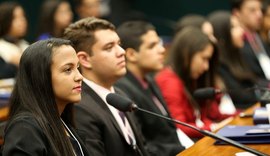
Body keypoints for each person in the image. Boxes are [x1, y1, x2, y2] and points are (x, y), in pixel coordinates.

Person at [63, 17, 150, 156]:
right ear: (85, 59)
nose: (121, 51)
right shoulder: (79, 107)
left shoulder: (120, 95)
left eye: (119, 44)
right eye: (109, 47)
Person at [1, 38, 90, 156]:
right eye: (68, 69)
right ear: (41, 77)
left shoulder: (62, 122)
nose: (79, 77)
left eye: (77, 68)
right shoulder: (25, 129)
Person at [115, 21, 190, 155]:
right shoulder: (123, 90)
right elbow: (143, 145)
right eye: (152, 46)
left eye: (159, 43)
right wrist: (182, 149)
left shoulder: (149, 78)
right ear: (131, 55)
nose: (162, 50)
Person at [155, 27, 232, 139]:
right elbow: (180, 127)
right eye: (204, 59)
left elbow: (206, 116)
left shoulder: (190, 77)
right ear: (187, 54)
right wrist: (214, 127)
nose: (206, 67)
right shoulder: (170, 82)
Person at [208, 11, 258, 109]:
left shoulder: (239, 56)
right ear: (221, 33)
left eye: (239, 26)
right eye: (234, 27)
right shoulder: (218, 66)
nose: (241, 31)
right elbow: (242, 98)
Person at [231, 0, 270, 81]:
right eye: (252, 10)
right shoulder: (236, 43)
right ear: (237, 13)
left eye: (260, 10)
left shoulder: (261, 39)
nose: (259, 15)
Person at [0, 1, 28, 77]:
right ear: (6, 20)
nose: (22, 21)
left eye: (23, 16)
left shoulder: (25, 44)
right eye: (16, 18)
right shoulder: (1, 46)